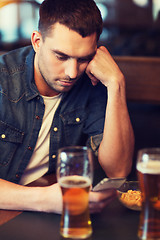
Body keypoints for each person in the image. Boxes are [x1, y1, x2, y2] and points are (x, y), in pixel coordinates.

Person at [0, 0, 134, 214]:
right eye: (61, 56)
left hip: (45, 216)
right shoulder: (3, 80)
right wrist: (45, 199)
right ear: (37, 41)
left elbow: (117, 170)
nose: (72, 72)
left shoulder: (92, 82)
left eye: (84, 58)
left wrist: (116, 83)